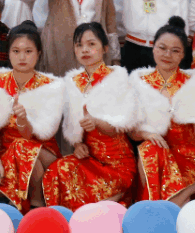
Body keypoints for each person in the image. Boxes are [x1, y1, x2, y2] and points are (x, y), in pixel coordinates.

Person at [43, 23, 137, 209]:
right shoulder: (72, 82)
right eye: (79, 45)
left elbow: (123, 124)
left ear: (105, 48)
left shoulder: (118, 78)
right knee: (58, 170)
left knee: (96, 199)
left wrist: (97, 122)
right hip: (90, 159)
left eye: (91, 44)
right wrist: (78, 145)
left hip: (117, 162)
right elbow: (73, 128)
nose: (85, 50)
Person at [130, 18, 195, 205]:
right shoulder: (138, 82)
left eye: (175, 50)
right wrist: (147, 133)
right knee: (149, 148)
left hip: (189, 157)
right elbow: (131, 131)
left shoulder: (193, 83)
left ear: (183, 55)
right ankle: (160, 209)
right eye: (162, 48)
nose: (167, 55)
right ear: (153, 48)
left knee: (176, 199)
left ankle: (156, 212)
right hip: (156, 157)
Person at [0, 23, 63, 211]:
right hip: (6, 154)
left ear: (39, 53)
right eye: (16, 51)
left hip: (43, 153)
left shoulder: (50, 86)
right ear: (8, 53)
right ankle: (29, 205)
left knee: (24, 147)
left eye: (28, 51)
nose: (22, 57)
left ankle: (35, 207)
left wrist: (23, 122)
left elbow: (32, 135)